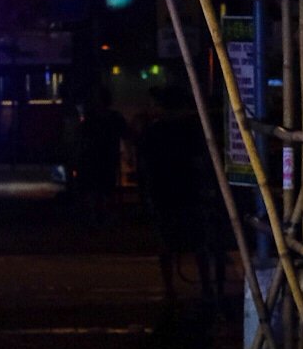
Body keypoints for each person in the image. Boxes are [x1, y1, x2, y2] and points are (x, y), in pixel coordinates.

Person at [139, 84, 225, 315]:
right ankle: (205, 288)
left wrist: (147, 195)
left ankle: (171, 290)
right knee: (198, 244)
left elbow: (146, 167)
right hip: (188, 192)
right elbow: (202, 161)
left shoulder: (154, 132)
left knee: (168, 244)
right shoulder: (191, 128)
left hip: (166, 194)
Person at [77, 85, 129, 226]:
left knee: (94, 187)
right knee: (107, 187)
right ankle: (105, 214)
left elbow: (82, 136)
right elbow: (126, 134)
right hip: (108, 156)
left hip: (93, 156)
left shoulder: (90, 117)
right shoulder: (115, 117)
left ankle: (95, 215)